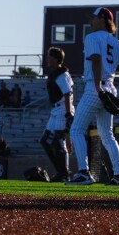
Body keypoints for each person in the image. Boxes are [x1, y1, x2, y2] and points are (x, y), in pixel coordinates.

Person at [66, 8, 119, 187]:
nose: (91, 21)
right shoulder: (116, 43)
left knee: (76, 130)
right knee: (107, 135)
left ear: (102, 20)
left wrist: (98, 86)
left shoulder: (92, 37)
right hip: (110, 88)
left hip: (96, 86)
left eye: (94, 18)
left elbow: (96, 59)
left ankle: (83, 173)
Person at [40, 46, 75, 182]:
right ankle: (60, 171)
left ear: (56, 58)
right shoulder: (55, 73)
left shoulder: (62, 74)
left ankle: (64, 172)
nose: (47, 59)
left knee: (57, 141)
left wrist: (68, 114)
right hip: (55, 110)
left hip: (62, 109)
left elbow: (67, 94)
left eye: (49, 56)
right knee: (45, 141)